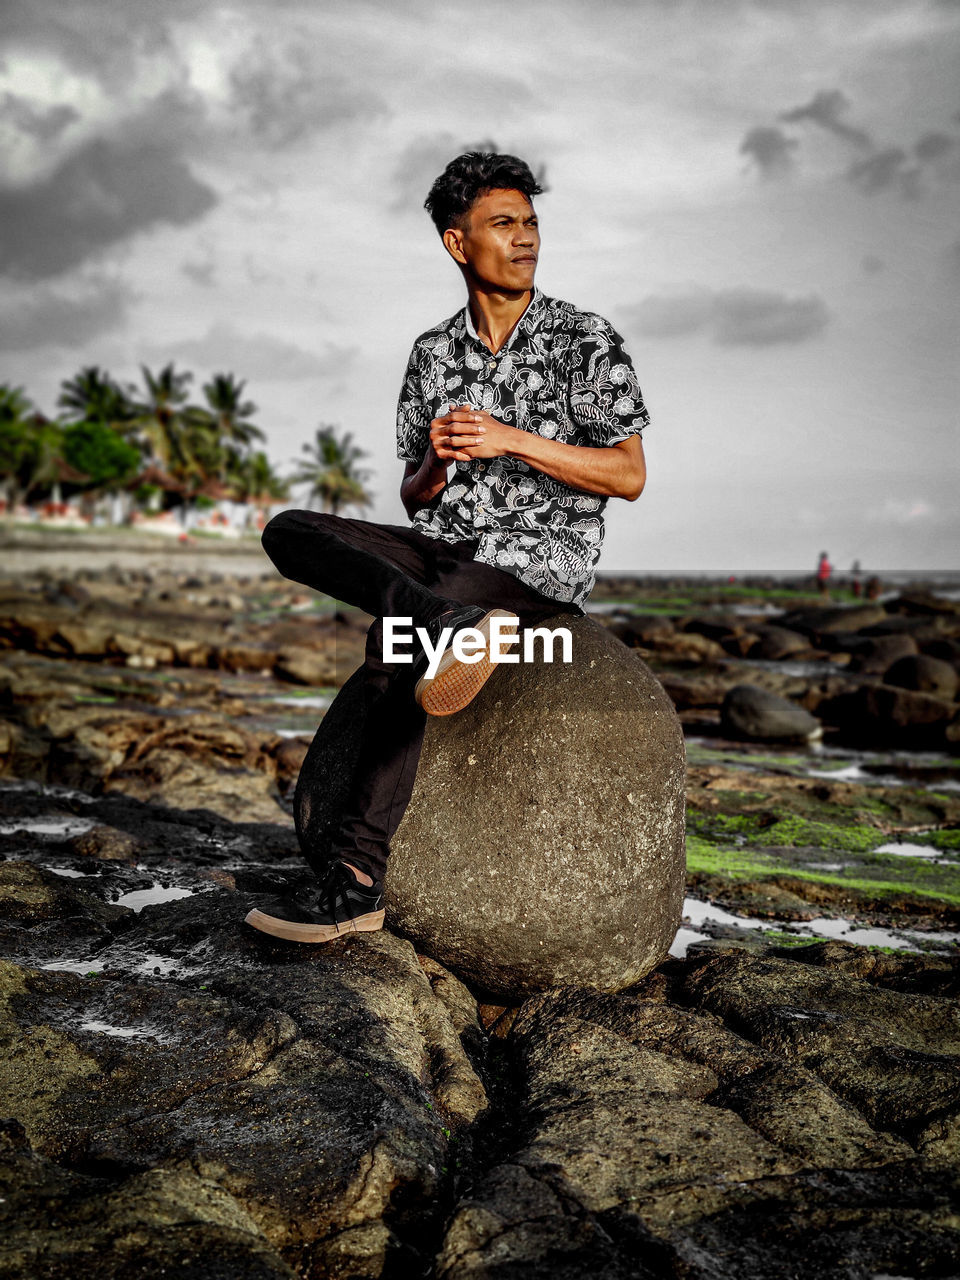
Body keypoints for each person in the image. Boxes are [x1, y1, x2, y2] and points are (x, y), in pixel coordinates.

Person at [244, 151, 649, 945]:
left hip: (532, 561)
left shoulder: (584, 339)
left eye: (531, 223)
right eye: (505, 224)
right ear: (457, 243)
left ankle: (355, 883)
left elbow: (627, 474)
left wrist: (511, 439)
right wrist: (437, 459)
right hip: (438, 552)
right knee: (290, 528)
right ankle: (443, 621)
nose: (526, 238)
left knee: (395, 642)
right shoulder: (432, 353)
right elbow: (412, 495)